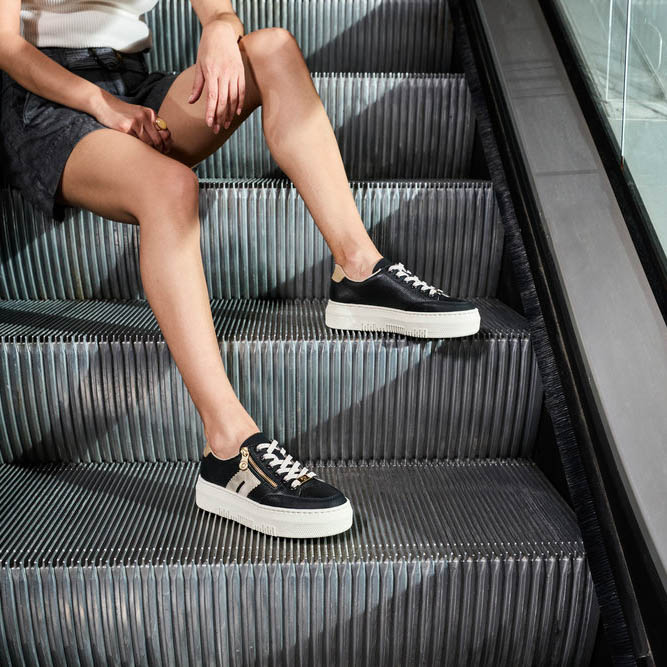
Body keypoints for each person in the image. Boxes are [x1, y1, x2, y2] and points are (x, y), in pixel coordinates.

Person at [0, 0, 481, 538]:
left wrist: (221, 32)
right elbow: (6, 44)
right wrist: (101, 103)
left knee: (272, 47)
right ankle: (227, 448)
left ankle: (359, 270)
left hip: (134, 84)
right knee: (171, 186)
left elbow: (220, 13)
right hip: (43, 100)